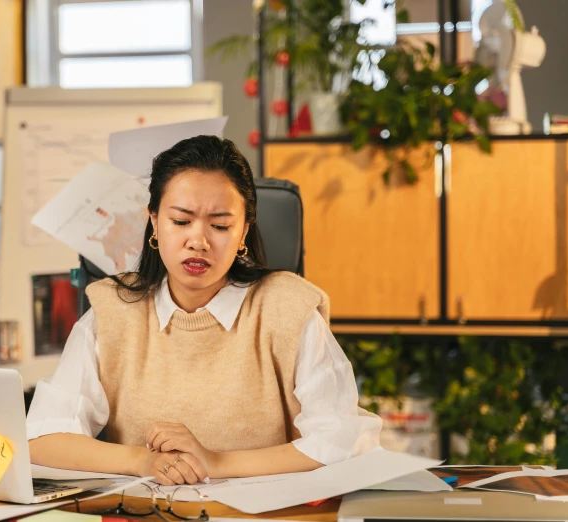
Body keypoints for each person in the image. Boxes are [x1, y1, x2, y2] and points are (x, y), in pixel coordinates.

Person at [26, 135, 381, 486]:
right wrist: (143, 460)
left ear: (244, 232)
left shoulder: (289, 309)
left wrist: (216, 463)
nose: (198, 240)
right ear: (154, 222)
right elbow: (42, 438)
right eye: (181, 221)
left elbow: (346, 439)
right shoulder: (113, 312)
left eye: (221, 225)